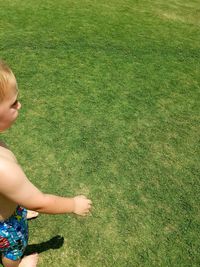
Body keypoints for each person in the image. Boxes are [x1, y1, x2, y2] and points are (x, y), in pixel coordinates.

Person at [0, 60, 92, 267]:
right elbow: (38, 201)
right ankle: (16, 265)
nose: (19, 105)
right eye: (13, 103)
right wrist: (73, 204)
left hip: (9, 207)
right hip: (5, 227)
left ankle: (17, 209)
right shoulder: (2, 169)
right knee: (13, 247)